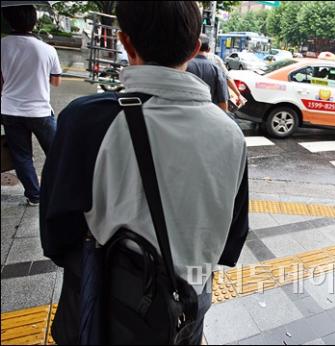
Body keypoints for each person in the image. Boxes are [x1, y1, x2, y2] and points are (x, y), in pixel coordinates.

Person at [40, 2, 249, 344]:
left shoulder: (87, 120)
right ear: (196, 48)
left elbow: (57, 231)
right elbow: (231, 239)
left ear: (126, 42)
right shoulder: (231, 135)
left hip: (112, 303)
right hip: (190, 303)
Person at [1, 5, 62, 206]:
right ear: (34, 21)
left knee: (21, 155)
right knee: (56, 152)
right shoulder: (47, 49)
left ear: (8, 20)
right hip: (40, 110)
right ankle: (58, 191)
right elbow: (56, 82)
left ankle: (34, 195)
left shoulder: (2, 45)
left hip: (9, 109)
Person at [187, 34, 230, 112]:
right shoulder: (217, 69)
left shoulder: (184, 66)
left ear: (193, 47)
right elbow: (223, 102)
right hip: (209, 114)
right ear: (208, 49)